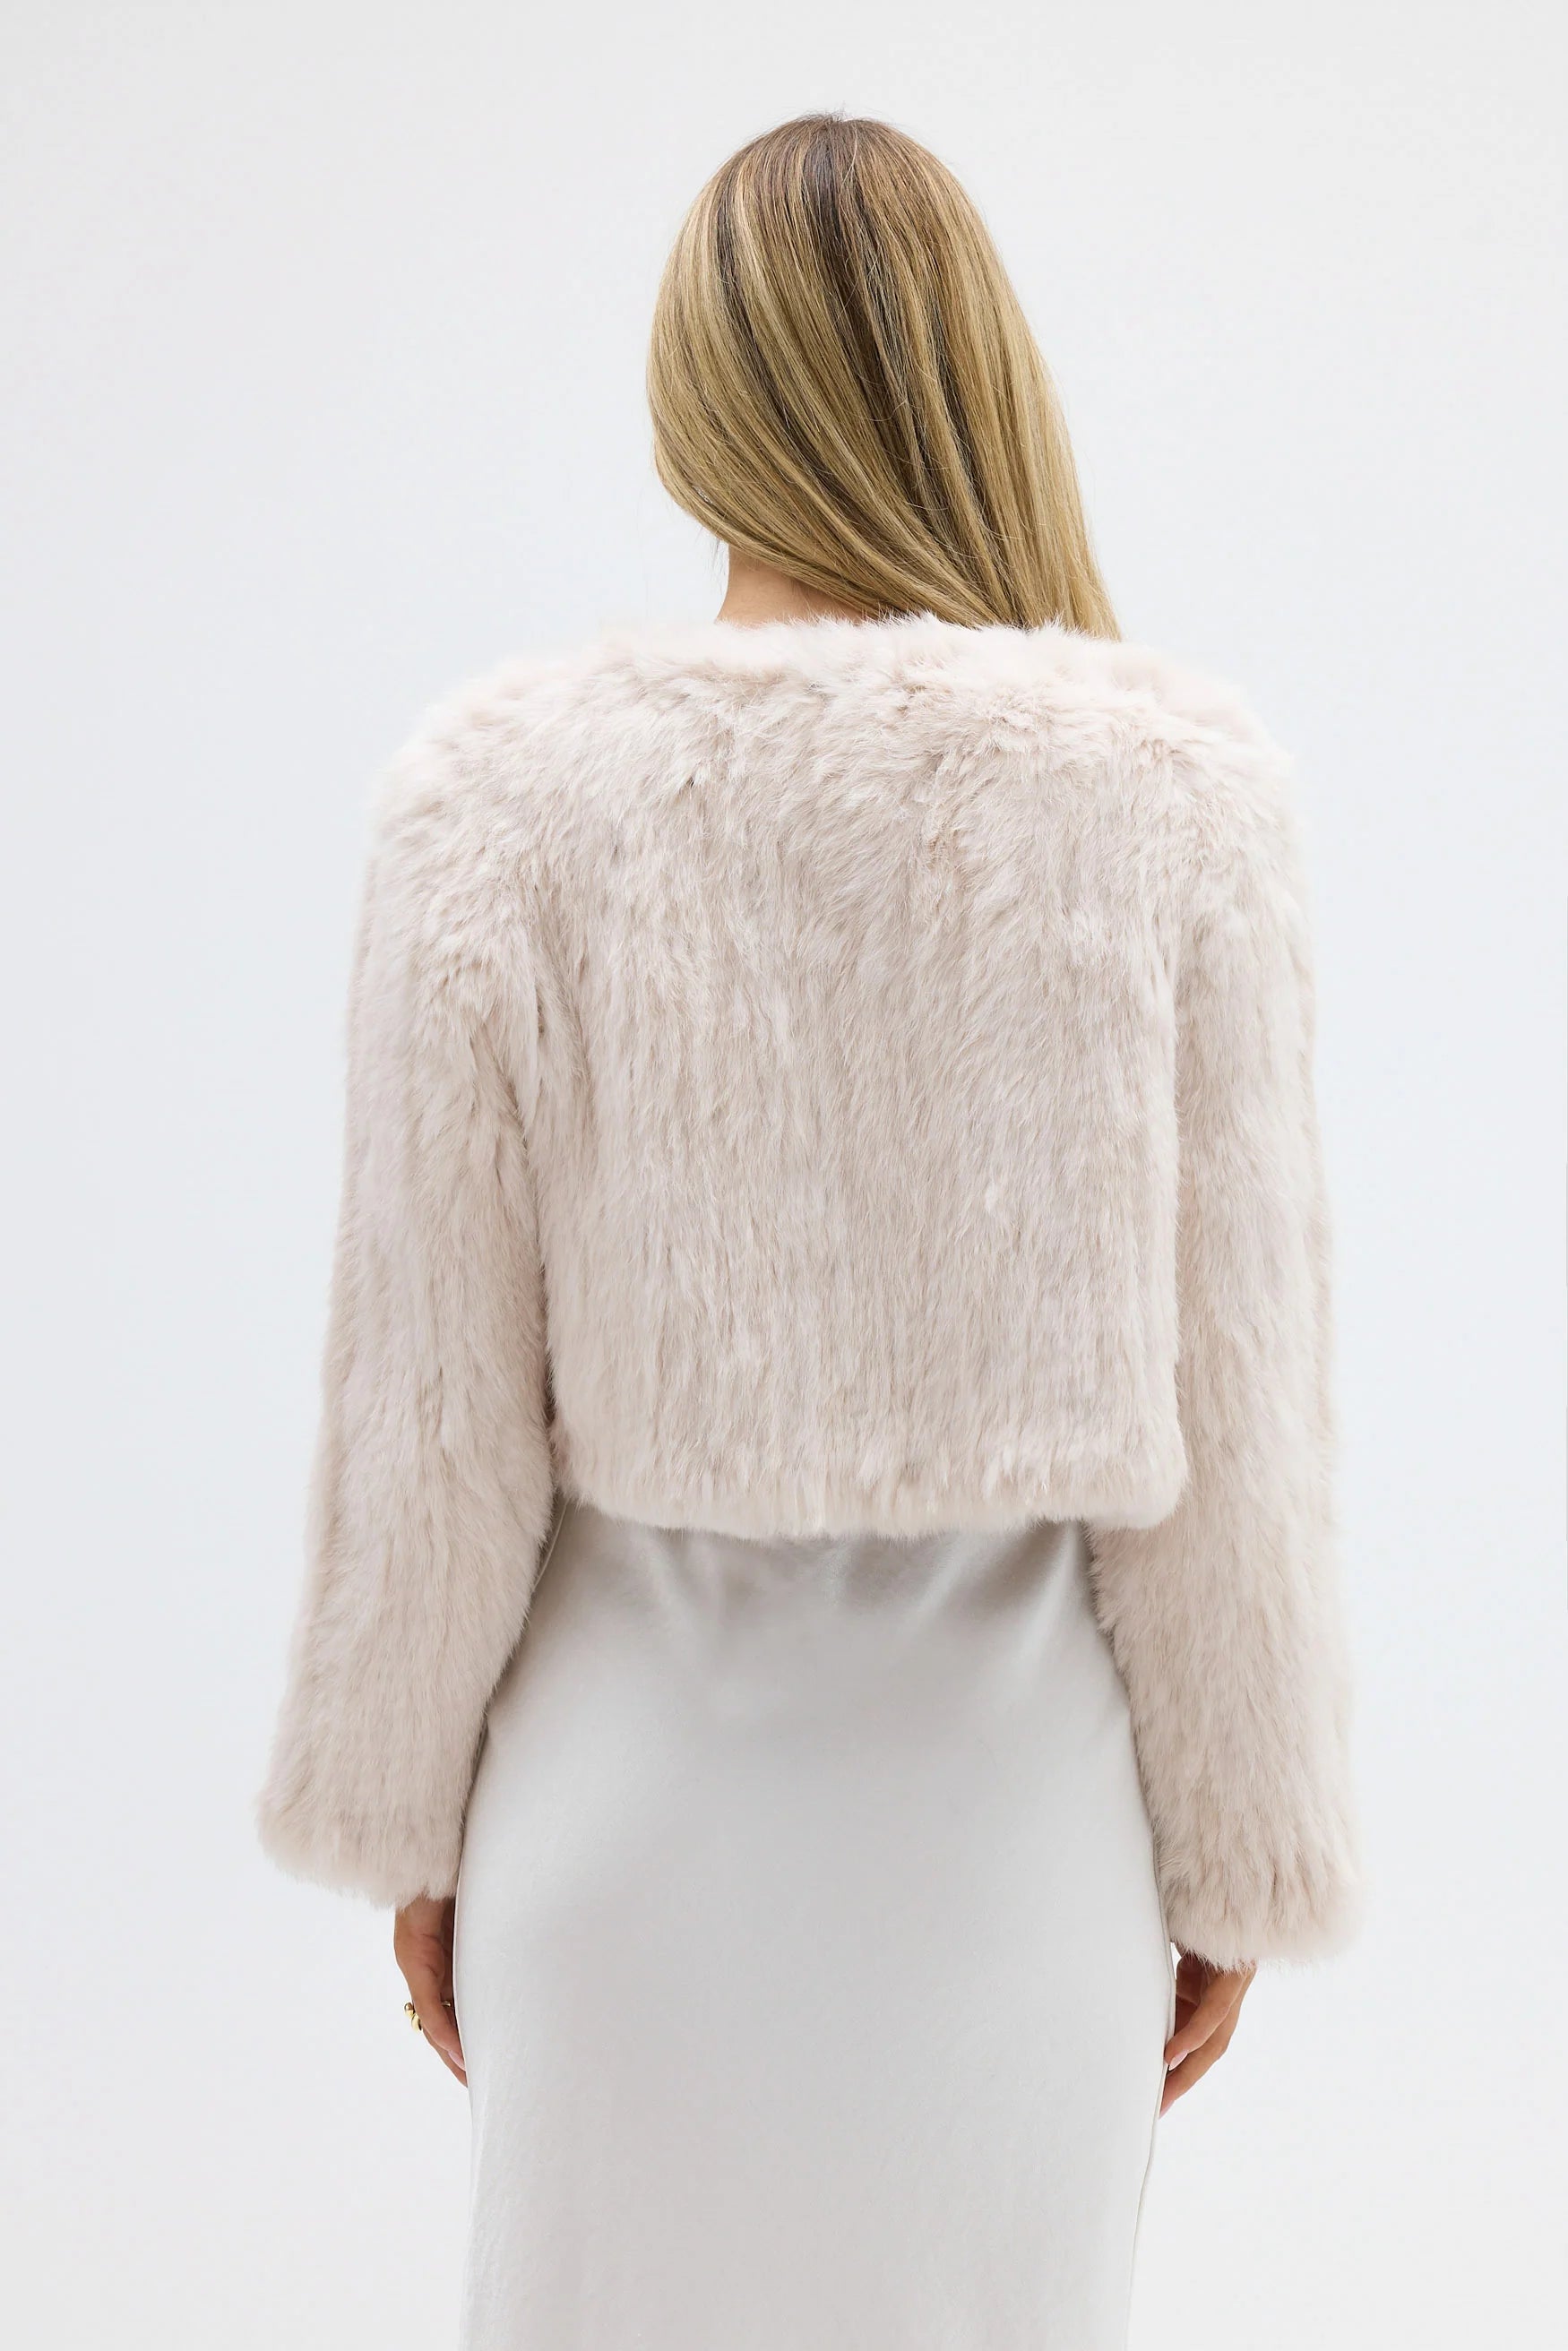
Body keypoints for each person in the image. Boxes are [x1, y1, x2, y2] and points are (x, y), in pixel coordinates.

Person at [259, 111, 1359, 2350]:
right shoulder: (1174, 803)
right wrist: (1240, 1843)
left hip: (617, 1843)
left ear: (699, 394)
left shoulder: (499, 803)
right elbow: (1238, 1417)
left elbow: (426, 1412)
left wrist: (410, 1822)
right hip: (1011, 1853)